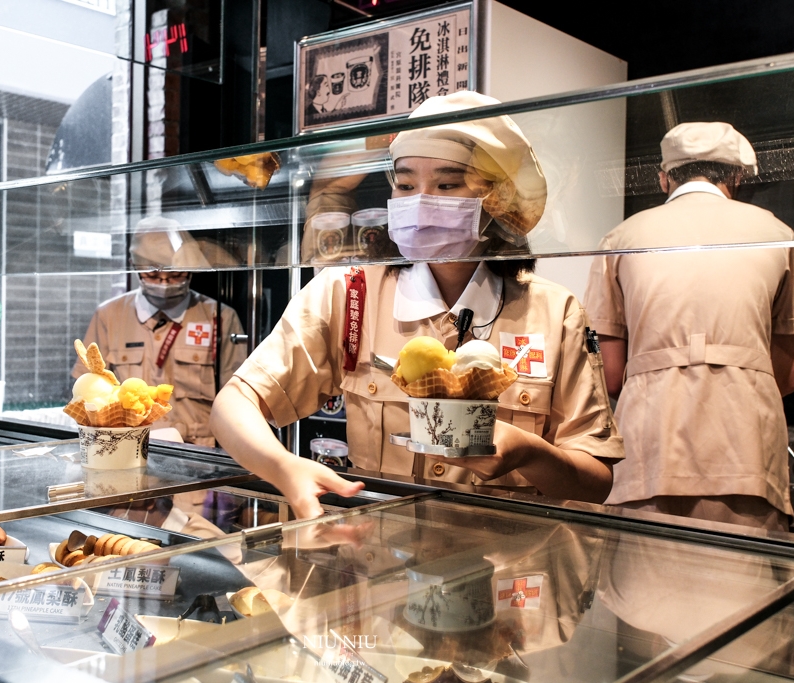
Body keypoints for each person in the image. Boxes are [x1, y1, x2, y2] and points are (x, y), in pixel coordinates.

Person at [211, 91, 623, 519]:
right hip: (378, 562)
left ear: (497, 199)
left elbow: (597, 481)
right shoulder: (351, 293)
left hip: (508, 570)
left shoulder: (556, 313)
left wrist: (531, 454)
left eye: (447, 185)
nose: (420, 201)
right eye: (406, 185)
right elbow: (233, 406)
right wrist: (284, 467)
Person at [583, 121, 794, 531]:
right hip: (748, 456)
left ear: (664, 178)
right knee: (749, 593)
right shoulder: (779, 234)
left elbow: (610, 377)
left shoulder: (620, 238)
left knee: (643, 591)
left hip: (647, 455)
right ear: (737, 176)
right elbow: (787, 375)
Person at [73, 216, 247, 447]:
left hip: (200, 453)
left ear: (190, 269)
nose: (164, 282)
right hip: (128, 446)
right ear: (134, 266)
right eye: (153, 274)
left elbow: (238, 398)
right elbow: (88, 394)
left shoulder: (221, 317)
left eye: (175, 274)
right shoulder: (109, 316)